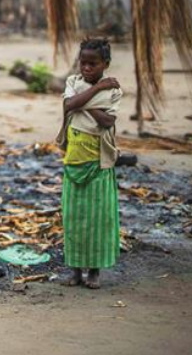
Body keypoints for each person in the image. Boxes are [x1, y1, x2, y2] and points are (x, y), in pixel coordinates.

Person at [55, 37, 122, 289]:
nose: (86, 68)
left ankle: (94, 273)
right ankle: (75, 272)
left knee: (97, 220)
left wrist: (81, 104)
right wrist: (95, 92)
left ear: (105, 63)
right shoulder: (74, 82)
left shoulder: (114, 90)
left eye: (92, 64)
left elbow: (107, 122)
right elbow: (68, 105)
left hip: (99, 165)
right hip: (73, 162)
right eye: (83, 63)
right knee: (74, 219)